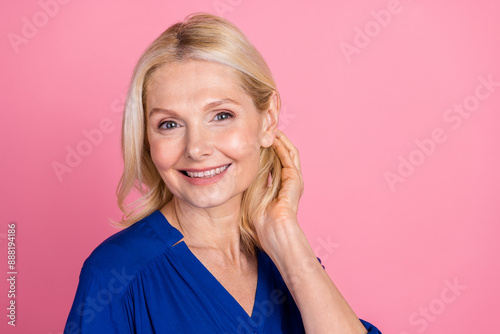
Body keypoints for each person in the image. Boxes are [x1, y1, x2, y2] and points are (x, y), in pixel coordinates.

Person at [64, 13, 381, 334]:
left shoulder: (287, 259)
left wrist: (289, 240)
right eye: (169, 124)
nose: (197, 148)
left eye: (221, 115)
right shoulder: (116, 274)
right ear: (147, 139)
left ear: (268, 120)